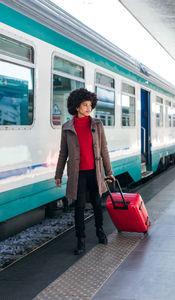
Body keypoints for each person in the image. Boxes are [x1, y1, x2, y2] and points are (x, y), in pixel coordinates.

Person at [55, 88, 115, 255]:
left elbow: (104, 149)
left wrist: (109, 172)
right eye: (85, 105)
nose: (89, 108)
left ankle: (100, 231)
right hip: (78, 174)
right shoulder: (67, 127)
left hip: (95, 172)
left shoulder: (97, 124)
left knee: (97, 203)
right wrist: (58, 174)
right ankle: (80, 239)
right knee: (79, 206)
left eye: (90, 105)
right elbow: (63, 152)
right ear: (76, 106)